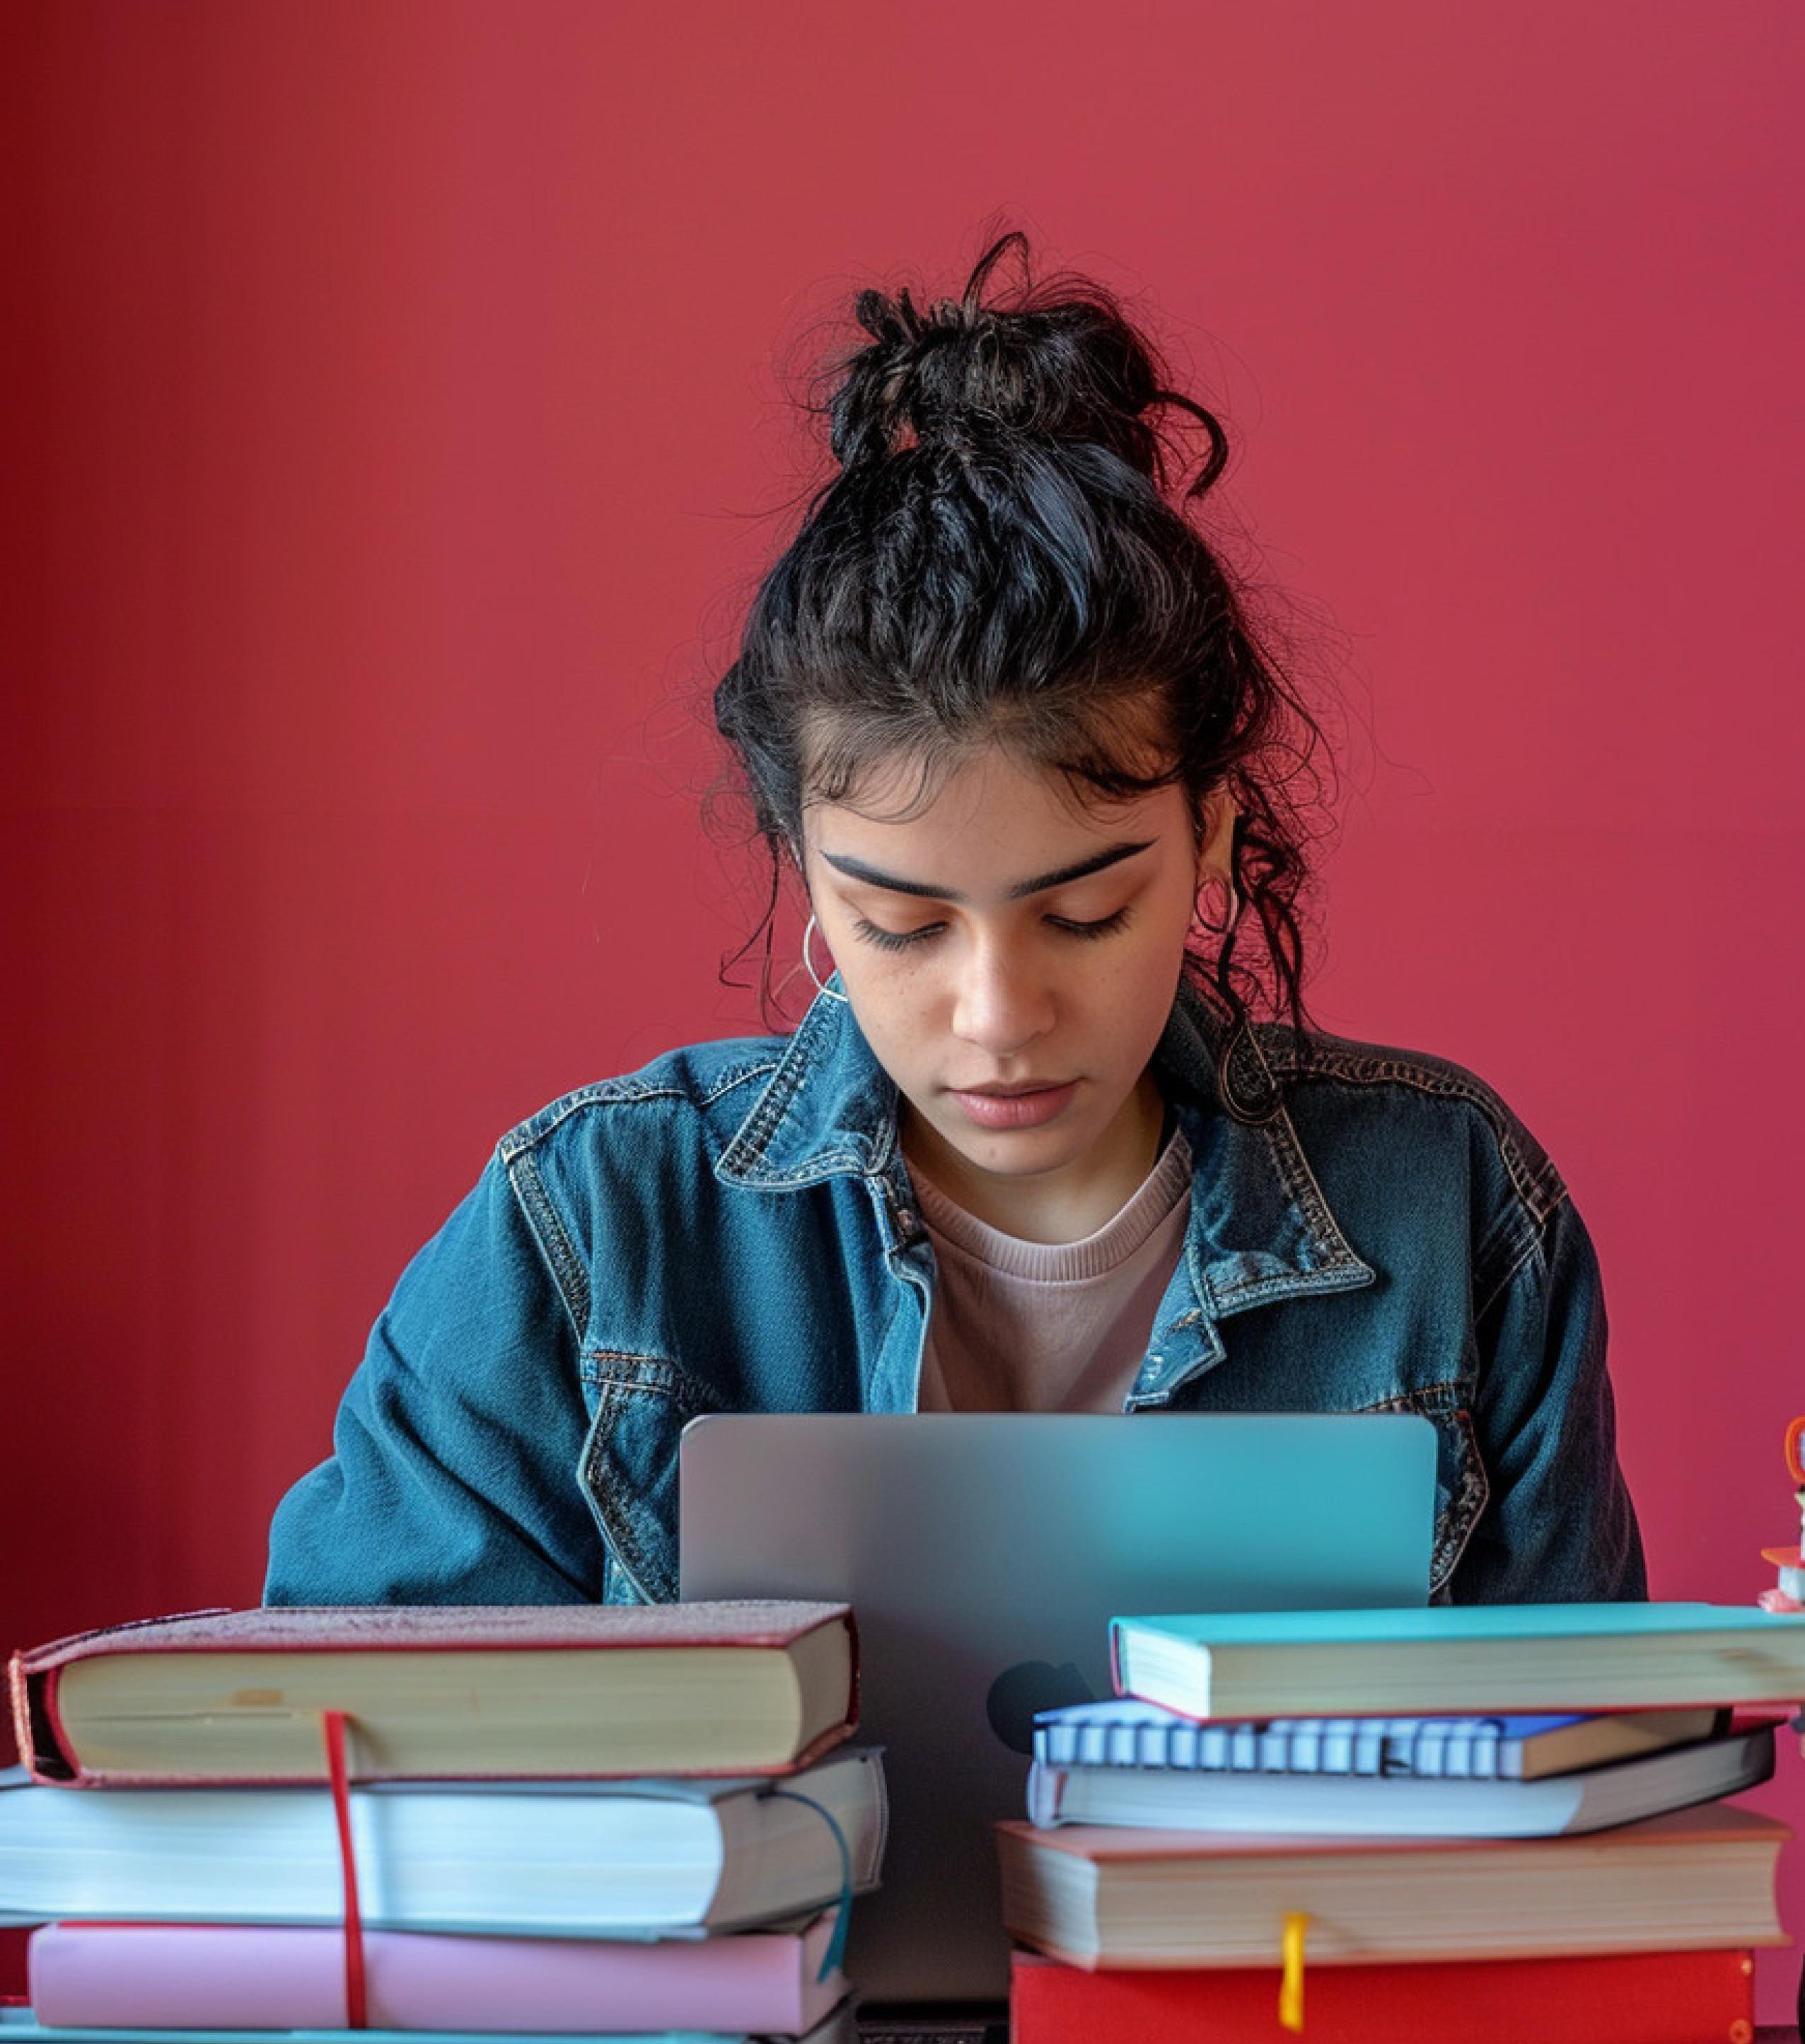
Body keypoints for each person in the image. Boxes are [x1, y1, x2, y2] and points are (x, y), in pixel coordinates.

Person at [263, 231, 1647, 1612]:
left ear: (1211, 838)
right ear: (804, 869)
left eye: (1088, 913)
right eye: (904, 926)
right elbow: (351, 1751)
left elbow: (1566, 1766)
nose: (998, 1017)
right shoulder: (589, 1229)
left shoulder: (1449, 1209)